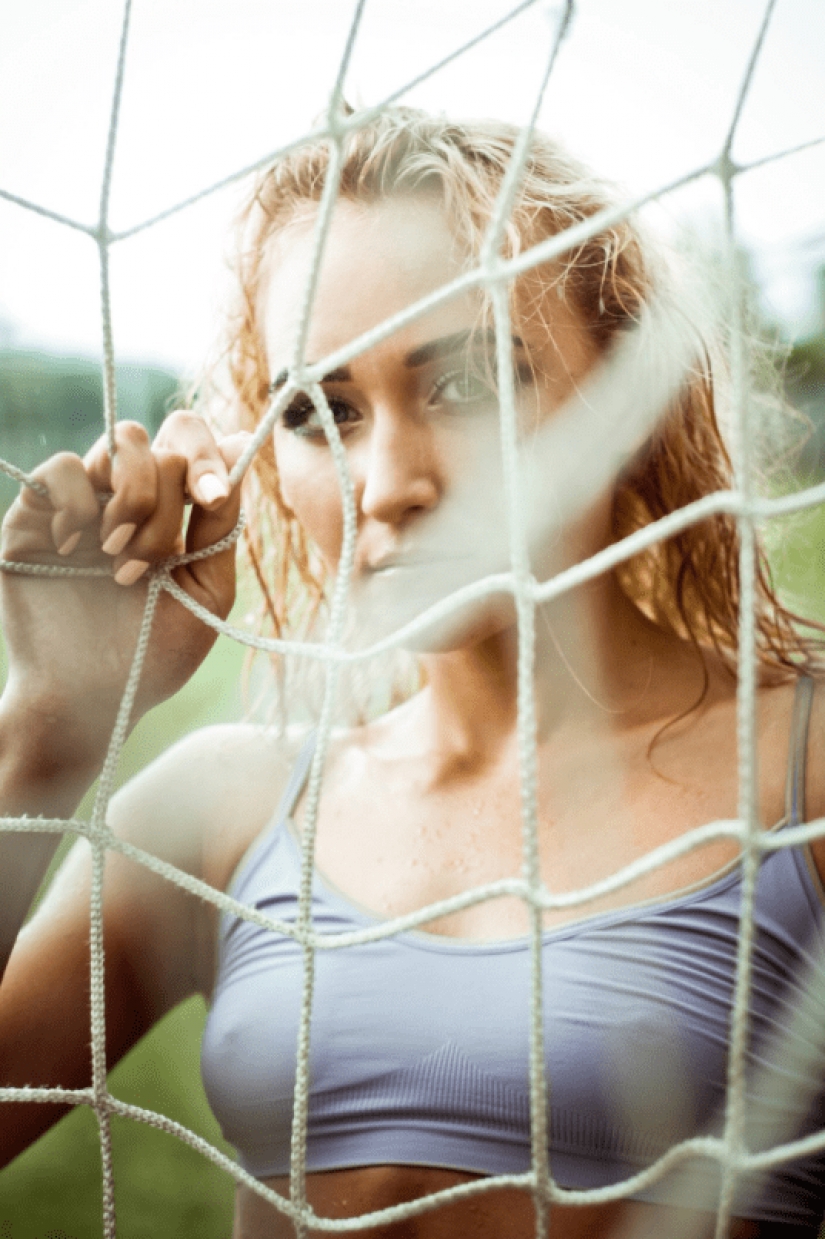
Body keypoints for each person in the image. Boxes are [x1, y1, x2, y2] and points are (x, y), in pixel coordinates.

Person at [0, 107, 824, 1239]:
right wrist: (49, 729)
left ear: (630, 396)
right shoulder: (225, 813)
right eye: (319, 411)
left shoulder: (801, 772)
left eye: (472, 378)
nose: (388, 481)